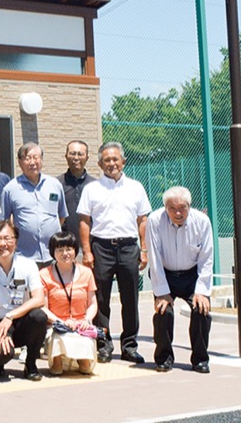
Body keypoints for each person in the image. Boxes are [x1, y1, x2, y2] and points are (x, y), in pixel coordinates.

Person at [77, 142, 150, 364]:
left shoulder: (136, 187)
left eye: (115, 159)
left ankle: (129, 346)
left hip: (129, 246)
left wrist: (144, 249)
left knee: (131, 298)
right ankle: (103, 344)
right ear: (99, 163)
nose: (111, 164)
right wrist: (87, 251)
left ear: (123, 161)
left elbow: (143, 220)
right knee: (100, 299)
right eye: (106, 160)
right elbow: (84, 221)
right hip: (101, 248)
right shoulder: (92, 189)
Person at [148, 186, 213, 373]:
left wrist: (201, 291)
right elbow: (154, 257)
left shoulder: (202, 222)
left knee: (202, 310)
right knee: (163, 312)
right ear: (165, 208)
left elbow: (206, 259)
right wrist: (161, 292)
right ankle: (163, 358)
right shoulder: (155, 220)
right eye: (172, 208)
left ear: (189, 207)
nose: (178, 213)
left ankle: (200, 359)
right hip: (165, 273)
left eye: (182, 208)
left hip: (192, 275)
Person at [0, 221, 47, 381]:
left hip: (18, 319)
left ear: (16, 241)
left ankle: (31, 364)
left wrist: (10, 316)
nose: (3, 244)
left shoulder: (28, 265)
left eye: (7, 238)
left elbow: (39, 298)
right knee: (3, 355)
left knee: (39, 316)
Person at [39, 232, 98, 375]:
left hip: (80, 323)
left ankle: (82, 359)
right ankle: (56, 360)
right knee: (57, 370)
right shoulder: (44, 274)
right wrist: (60, 322)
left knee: (85, 369)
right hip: (57, 323)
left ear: (75, 250)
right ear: (53, 252)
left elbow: (93, 304)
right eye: (60, 250)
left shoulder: (86, 272)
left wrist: (86, 320)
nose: (65, 253)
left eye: (69, 249)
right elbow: (43, 307)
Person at [0, 142, 67, 266]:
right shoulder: (10, 189)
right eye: (27, 158)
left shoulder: (55, 184)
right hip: (25, 255)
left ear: (41, 160)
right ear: (20, 162)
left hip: (54, 253)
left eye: (36, 157)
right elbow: (4, 223)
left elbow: (61, 216)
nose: (32, 162)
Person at [60, 141, 91, 239]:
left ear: (87, 157)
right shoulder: (56, 184)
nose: (76, 158)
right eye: (72, 154)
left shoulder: (95, 186)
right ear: (66, 156)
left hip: (91, 243)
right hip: (64, 243)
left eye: (80, 154)